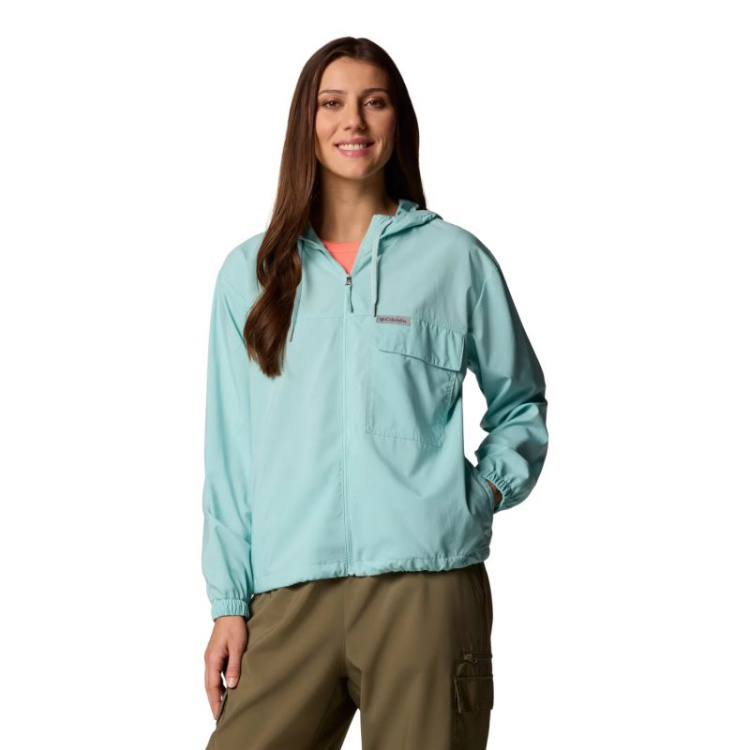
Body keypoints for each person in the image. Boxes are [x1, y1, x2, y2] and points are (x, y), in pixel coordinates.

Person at [201, 36, 549, 750]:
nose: (352, 121)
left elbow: (521, 402)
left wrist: (481, 493)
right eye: (332, 103)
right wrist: (228, 602)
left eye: (374, 101)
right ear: (306, 122)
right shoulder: (250, 273)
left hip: (426, 588)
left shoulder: (455, 260)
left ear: (398, 121)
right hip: (288, 592)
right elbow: (231, 454)